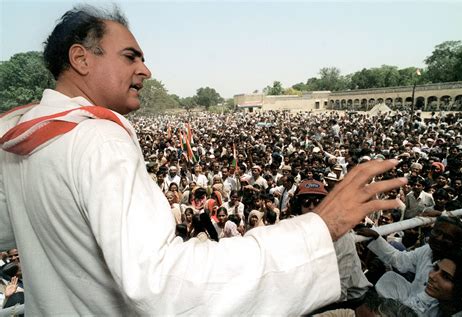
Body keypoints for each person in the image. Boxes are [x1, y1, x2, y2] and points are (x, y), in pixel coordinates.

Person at [0, 5, 406, 315]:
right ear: (82, 59)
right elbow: (159, 283)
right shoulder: (96, 137)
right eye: (130, 56)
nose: (146, 69)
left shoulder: (27, 139)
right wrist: (319, 227)